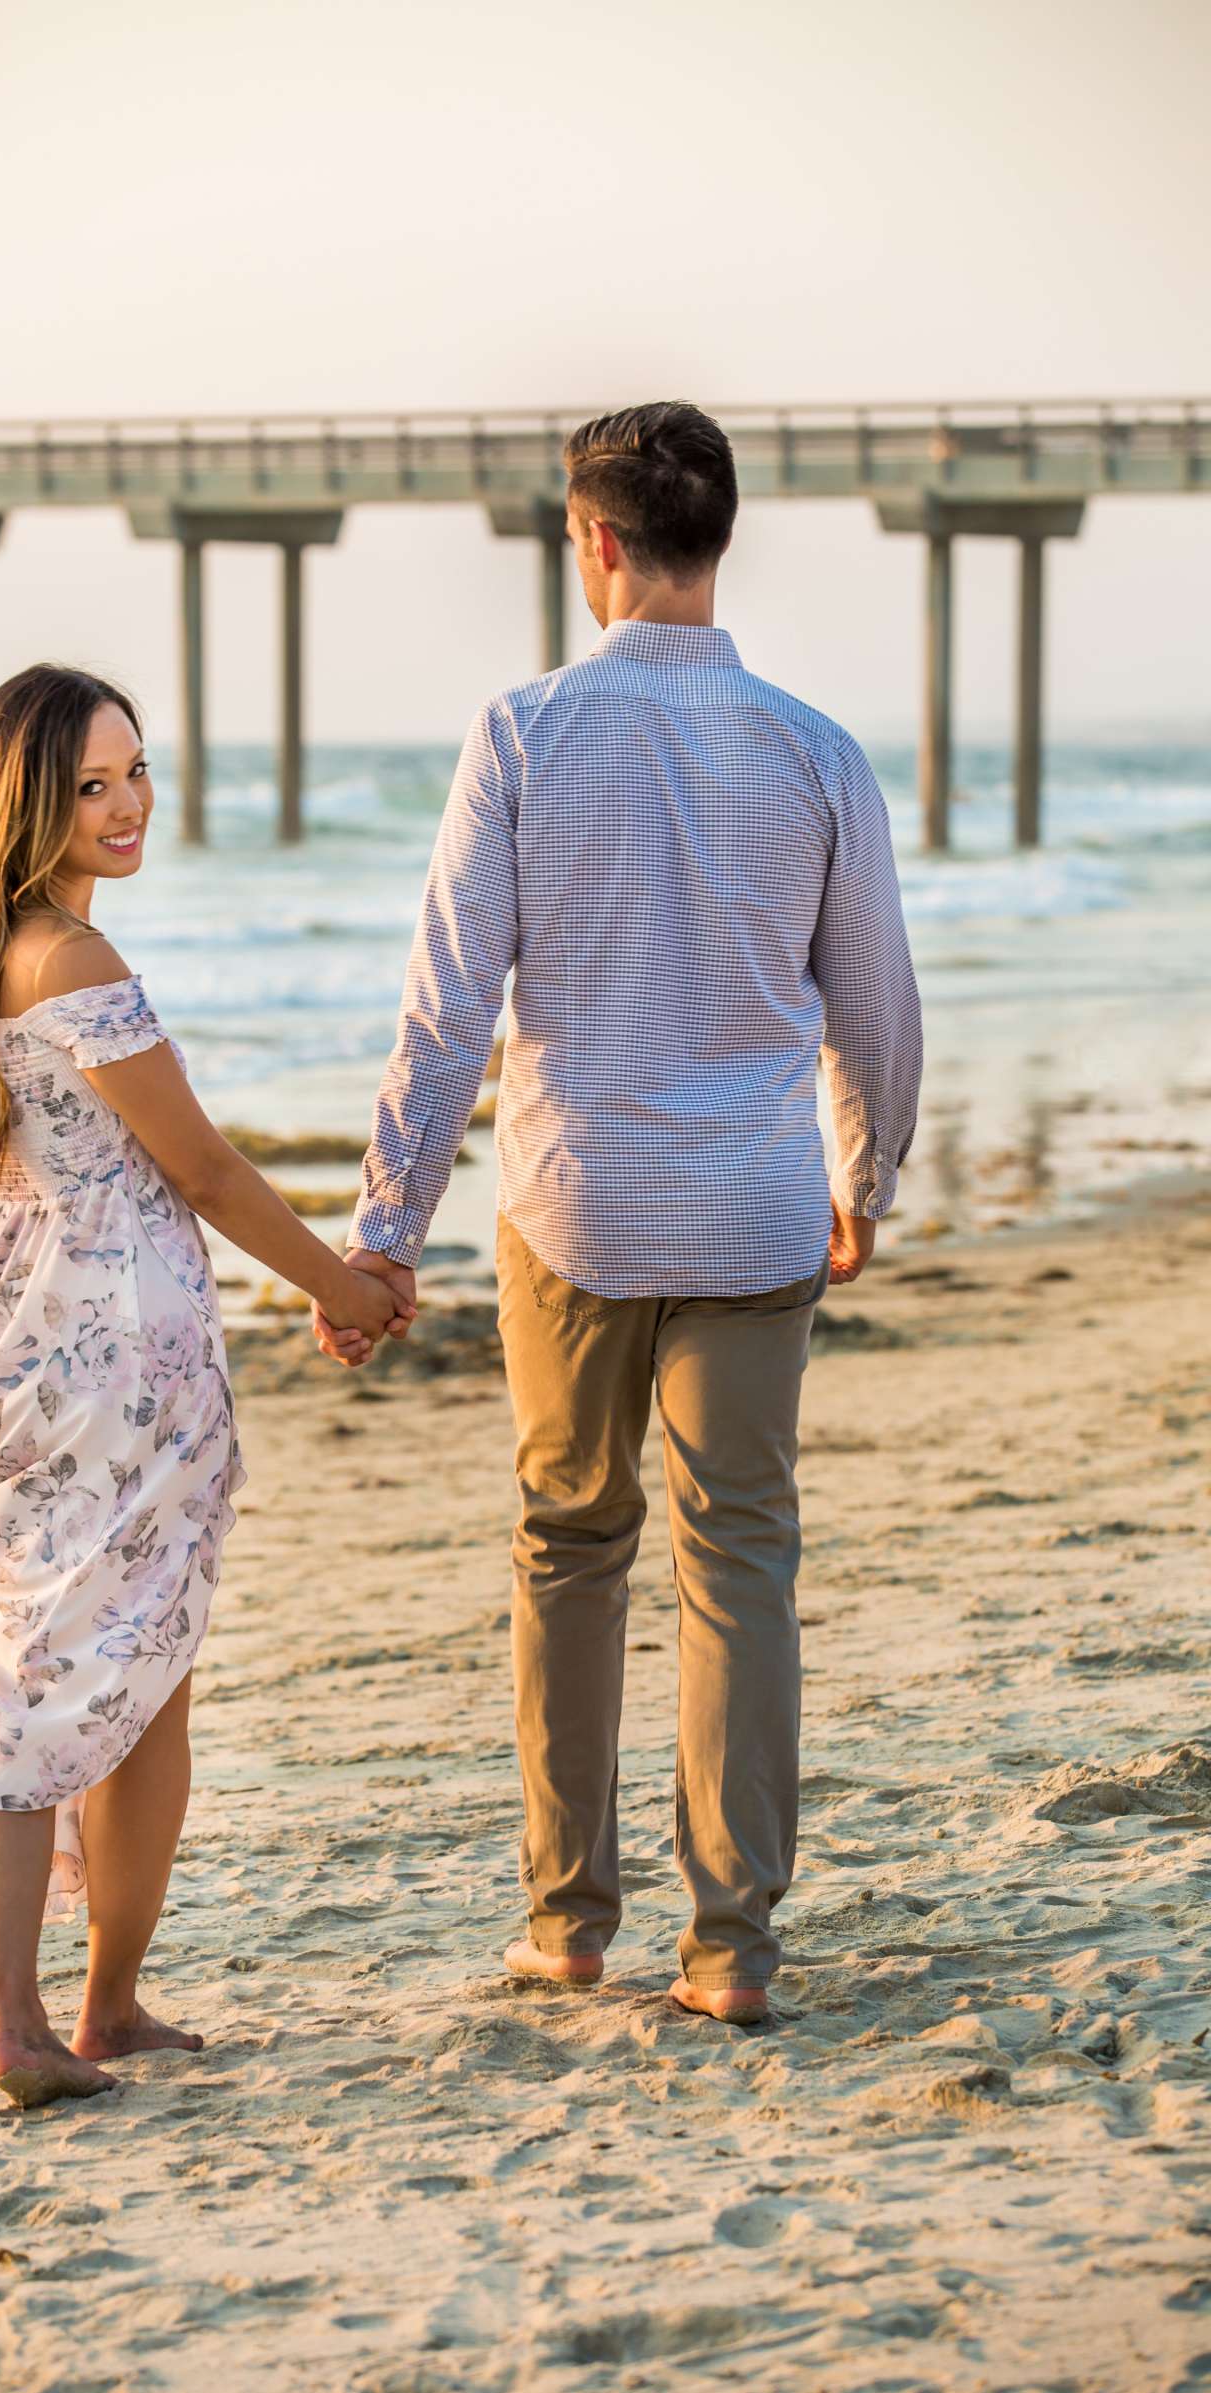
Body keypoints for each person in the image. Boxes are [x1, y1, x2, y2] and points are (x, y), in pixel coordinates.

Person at [315, 402, 923, 2025]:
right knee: (744, 1563)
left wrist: (387, 1230)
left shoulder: (520, 734)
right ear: (718, 539)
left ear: (590, 542)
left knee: (570, 1545)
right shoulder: (816, 750)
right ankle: (731, 1952)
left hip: (569, 1211)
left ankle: (570, 1919)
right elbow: (876, 1008)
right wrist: (864, 1174)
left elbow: (446, 1011)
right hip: (750, 1211)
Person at [0, 663, 408, 2108]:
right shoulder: (77, 967)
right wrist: (345, 1285)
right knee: (122, 1687)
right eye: (89, 784)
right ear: (26, 801)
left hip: (0, 1347)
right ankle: (66, 2017)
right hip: (108, 1363)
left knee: (44, 1679)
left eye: (136, 773)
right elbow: (201, 1170)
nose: (127, 807)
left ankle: (60, 2016)